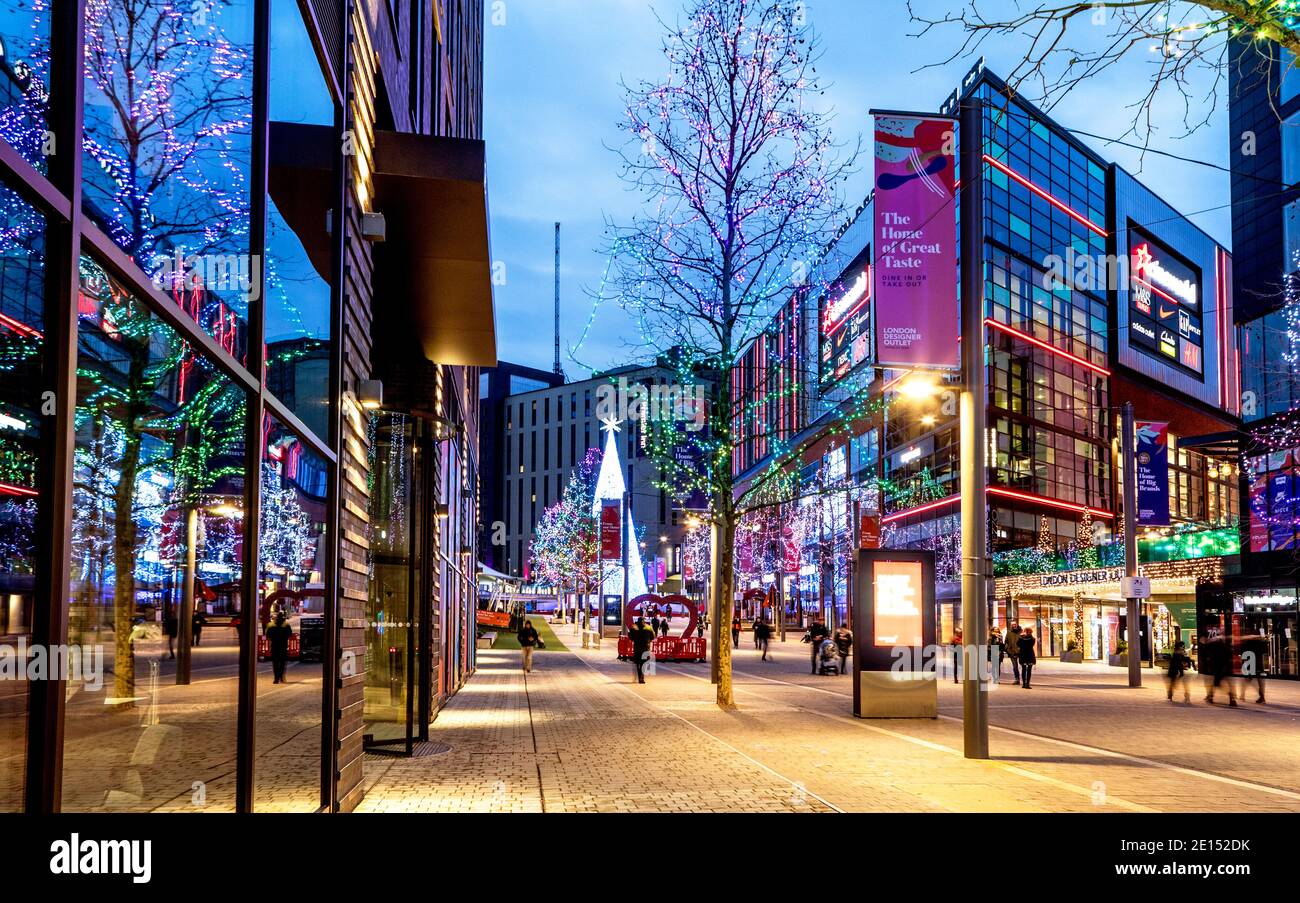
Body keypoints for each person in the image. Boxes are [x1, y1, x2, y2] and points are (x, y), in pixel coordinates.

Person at [1202, 632, 1237, 706]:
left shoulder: (1215, 646)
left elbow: (1210, 656)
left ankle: (1212, 697)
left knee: (1216, 683)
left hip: (1218, 667)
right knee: (1217, 683)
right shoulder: (1226, 646)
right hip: (1224, 667)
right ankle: (1230, 698)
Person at [266, 613, 294, 684]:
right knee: (282, 663)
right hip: (283, 646)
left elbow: (267, 635)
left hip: (274, 646)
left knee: (275, 663)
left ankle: (276, 678)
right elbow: (290, 634)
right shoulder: (286, 625)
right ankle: (281, 677)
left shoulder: (270, 625)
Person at [1241, 633, 1268, 704]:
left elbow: (1243, 654)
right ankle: (1262, 697)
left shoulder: (1246, 643)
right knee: (1260, 681)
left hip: (1250, 663)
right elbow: (1264, 652)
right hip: (1258, 664)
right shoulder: (1260, 643)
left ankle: (1242, 695)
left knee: (1247, 679)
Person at [628, 616, 656, 683]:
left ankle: (639, 675)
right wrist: (648, 640)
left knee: (638, 663)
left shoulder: (634, 627)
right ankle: (641, 678)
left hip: (637, 647)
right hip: (646, 647)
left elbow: (630, 637)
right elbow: (653, 636)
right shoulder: (649, 627)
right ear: (644, 620)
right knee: (644, 663)